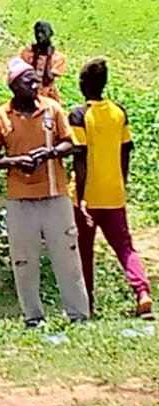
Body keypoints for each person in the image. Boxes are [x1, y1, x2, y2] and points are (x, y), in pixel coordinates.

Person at [0, 58, 90, 327]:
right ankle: (32, 316)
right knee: (24, 260)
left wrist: (51, 152)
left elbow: (71, 144)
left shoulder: (52, 109)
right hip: (20, 200)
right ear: (13, 86)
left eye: (35, 79)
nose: (35, 84)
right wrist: (16, 161)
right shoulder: (0, 117)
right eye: (27, 80)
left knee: (67, 255)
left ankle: (79, 314)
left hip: (55, 195)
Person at [69, 59, 153, 319]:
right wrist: (121, 183)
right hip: (114, 192)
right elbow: (125, 152)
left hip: (87, 196)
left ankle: (88, 303)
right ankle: (142, 292)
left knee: (84, 250)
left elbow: (80, 159)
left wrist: (82, 197)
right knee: (125, 247)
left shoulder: (79, 115)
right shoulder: (119, 112)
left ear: (82, 84)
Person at [20, 21, 67, 103]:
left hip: (49, 96)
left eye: (43, 32)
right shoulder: (27, 53)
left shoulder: (57, 57)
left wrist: (48, 57)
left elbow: (48, 78)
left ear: (50, 34)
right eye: (37, 32)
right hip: (29, 95)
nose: (39, 35)